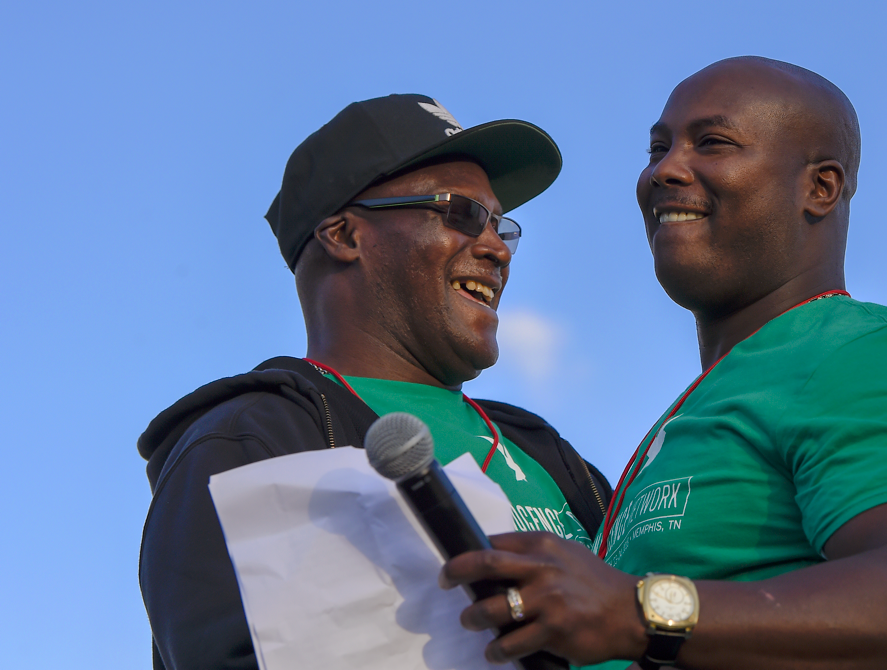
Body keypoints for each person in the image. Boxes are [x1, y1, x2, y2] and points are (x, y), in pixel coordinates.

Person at [439, 57, 887, 670]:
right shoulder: (718, 394)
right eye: (657, 148)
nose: (665, 169)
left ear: (819, 188)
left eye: (712, 143)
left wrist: (639, 611)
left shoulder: (872, 355)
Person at [137, 94, 612, 670]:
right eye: (460, 213)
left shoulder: (548, 453)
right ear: (343, 234)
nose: (495, 248)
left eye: (501, 226)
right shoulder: (250, 440)